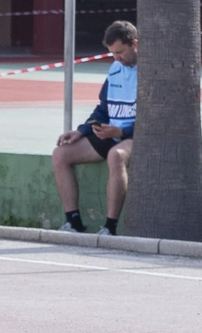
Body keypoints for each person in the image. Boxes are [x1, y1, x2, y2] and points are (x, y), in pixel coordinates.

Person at [52, 20, 138, 236]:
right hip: (112, 132)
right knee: (60, 154)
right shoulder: (115, 68)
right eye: (112, 53)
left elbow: (156, 118)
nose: (116, 57)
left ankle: (109, 227)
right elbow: (103, 108)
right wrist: (81, 130)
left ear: (134, 44)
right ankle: (73, 223)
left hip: (136, 136)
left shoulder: (151, 71)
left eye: (120, 52)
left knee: (116, 156)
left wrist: (122, 133)